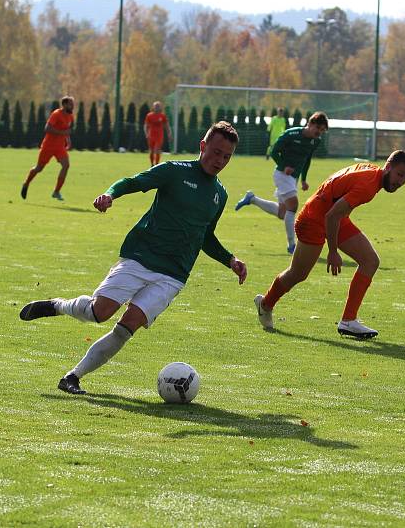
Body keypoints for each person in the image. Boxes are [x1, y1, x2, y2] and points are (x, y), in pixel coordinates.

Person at [19, 121, 247, 395]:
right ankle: (56, 306)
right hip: (141, 257)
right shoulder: (174, 171)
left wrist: (230, 260)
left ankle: (73, 377)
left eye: (226, 156)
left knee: (127, 327)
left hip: (174, 275)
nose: (220, 160)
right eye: (216, 152)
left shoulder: (219, 195)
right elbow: (133, 182)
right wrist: (110, 195)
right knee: (98, 313)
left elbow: (205, 236)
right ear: (202, 146)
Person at [253, 150, 405, 339]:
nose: (401, 181)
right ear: (388, 167)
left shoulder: (372, 171)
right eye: (400, 174)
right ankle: (265, 304)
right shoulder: (368, 185)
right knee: (298, 274)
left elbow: (336, 208)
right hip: (314, 220)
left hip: (334, 216)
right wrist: (332, 251)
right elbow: (331, 216)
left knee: (370, 261)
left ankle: (348, 320)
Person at [235, 112, 329, 254]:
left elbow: (307, 159)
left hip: (293, 179)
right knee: (293, 206)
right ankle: (292, 246)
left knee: (282, 213)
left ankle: (252, 199)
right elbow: (274, 152)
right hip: (281, 175)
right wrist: (284, 165)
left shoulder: (316, 141)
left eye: (322, 130)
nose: (319, 132)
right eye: (318, 128)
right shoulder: (291, 134)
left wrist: (303, 179)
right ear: (310, 124)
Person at [21, 96, 74, 201]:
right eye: (70, 104)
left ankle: (56, 191)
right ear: (64, 105)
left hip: (60, 147)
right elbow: (47, 128)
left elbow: (66, 130)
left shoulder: (70, 116)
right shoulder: (56, 114)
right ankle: (26, 183)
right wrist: (62, 133)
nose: (72, 106)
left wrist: (68, 140)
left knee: (66, 165)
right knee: (39, 168)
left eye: (73, 104)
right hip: (48, 146)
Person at [144, 101, 172, 167]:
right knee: (151, 151)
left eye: (158, 106)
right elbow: (146, 125)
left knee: (157, 150)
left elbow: (167, 125)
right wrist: (146, 133)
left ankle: (156, 165)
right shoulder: (149, 115)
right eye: (156, 106)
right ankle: (152, 164)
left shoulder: (162, 116)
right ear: (153, 107)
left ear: (160, 107)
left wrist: (169, 133)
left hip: (159, 136)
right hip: (151, 136)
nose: (157, 107)